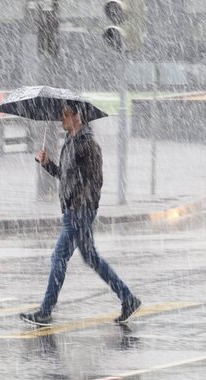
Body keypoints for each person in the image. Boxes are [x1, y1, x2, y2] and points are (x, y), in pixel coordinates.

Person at [20, 104, 141, 326]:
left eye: (64, 114)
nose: (61, 119)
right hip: (73, 210)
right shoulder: (70, 142)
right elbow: (65, 176)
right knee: (91, 258)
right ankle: (128, 298)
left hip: (79, 211)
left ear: (77, 116)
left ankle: (46, 310)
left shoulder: (88, 145)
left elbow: (95, 182)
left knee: (58, 257)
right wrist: (47, 164)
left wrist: (79, 206)